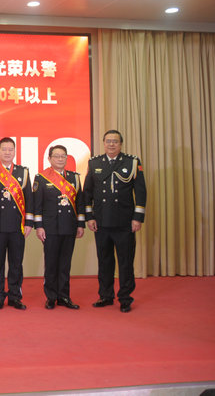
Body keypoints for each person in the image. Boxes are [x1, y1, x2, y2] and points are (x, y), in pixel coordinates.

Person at [83, 130, 146, 313]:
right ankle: (105, 295)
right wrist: (89, 217)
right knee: (104, 261)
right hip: (101, 221)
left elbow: (140, 192)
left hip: (124, 222)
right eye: (108, 141)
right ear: (103, 143)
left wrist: (137, 218)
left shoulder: (132, 162)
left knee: (125, 262)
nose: (111, 144)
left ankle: (125, 298)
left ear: (121, 144)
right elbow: (88, 192)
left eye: (115, 141)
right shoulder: (94, 163)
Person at [0, 137, 34, 310]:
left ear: (14, 151)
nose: (7, 152)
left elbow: (29, 199)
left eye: (10, 149)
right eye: (4, 149)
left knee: (16, 262)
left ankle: (15, 296)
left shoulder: (23, 172)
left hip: (17, 225)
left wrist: (29, 222)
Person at [33, 144, 85, 310]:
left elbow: (80, 203)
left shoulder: (74, 178)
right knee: (51, 263)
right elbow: (37, 205)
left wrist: (80, 224)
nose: (60, 159)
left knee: (65, 264)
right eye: (56, 156)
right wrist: (39, 226)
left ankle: (64, 296)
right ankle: (51, 297)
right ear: (49, 158)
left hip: (69, 226)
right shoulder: (41, 178)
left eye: (63, 156)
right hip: (50, 227)